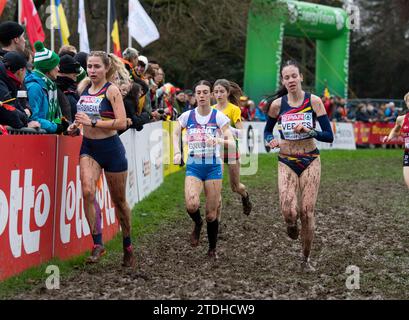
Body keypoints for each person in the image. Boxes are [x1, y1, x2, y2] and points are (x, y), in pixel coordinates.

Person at [67, 51, 136, 267]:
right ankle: (97, 244)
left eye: (97, 66)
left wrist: (94, 122)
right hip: (89, 147)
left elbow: (123, 122)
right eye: (89, 66)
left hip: (111, 149)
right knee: (87, 191)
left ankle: (127, 244)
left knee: (119, 202)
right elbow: (82, 118)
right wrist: (75, 126)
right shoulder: (83, 88)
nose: (92, 70)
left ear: (106, 68)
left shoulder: (111, 90)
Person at [263, 60, 334, 271]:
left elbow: (328, 136)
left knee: (307, 212)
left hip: (310, 159)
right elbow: (267, 131)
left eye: (294, 76)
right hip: (286, 160)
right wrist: (270, 139)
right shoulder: (277, 105)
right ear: (283, 81)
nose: (291, 80)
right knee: (289, 211)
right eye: (287, 77)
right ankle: (290, 224)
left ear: (301, 77)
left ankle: (305, 259)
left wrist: (309, 131)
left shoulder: (315, 102)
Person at [173, 80, 235, 259]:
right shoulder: (187, 116)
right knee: (191, 204)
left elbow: (231, 141)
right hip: (194, 165)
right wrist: (178, 152)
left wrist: (218, 141)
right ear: (195, 96)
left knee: (211, 214)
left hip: (213, 167)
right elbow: (176, 132)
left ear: (211, 95)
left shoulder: (218, 117)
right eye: (198, 92)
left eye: (205, 92)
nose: (201, 96)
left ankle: (212, 249)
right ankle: (197, 223)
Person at [212, 79, 252, 216]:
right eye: (216, 92)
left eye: (221, 91)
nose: (219, 95)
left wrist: (227, 130)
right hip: (216, 151)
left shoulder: (234, 109)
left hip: (230, 150)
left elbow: (241, 133)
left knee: (235, 187)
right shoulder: (211, 110)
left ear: (228, 93)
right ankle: (216, 222)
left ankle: (245, 196)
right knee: (216, 187)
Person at [25, 41, 68, 134]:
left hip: (45, 138)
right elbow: (33, 119)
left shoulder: (50, 86)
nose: (58, 69)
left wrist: (61, 123)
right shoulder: (35, 87)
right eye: (56, 65)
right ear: (48, 68)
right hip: (36, 139)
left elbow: (53, 116)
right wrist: (55, 127)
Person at [383, 92, 409, 185]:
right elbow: (395, 130)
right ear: (406, 103)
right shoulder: (401, 119)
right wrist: (389, 137)